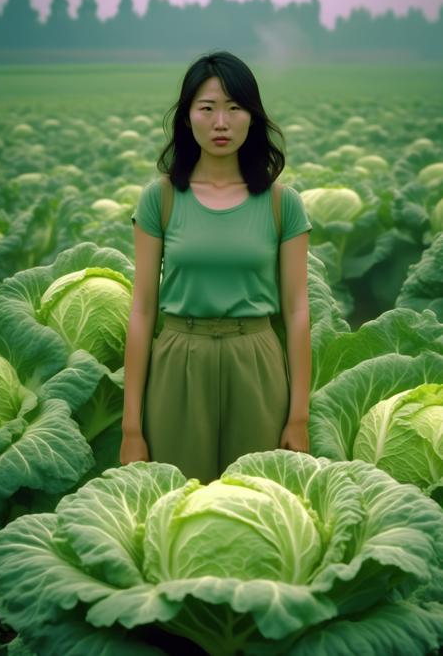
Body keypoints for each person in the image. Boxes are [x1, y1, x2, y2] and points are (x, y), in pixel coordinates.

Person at [120, 50, 313, 484]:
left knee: (257, 504)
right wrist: (131, 426)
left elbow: (298, 311)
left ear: (252, 117)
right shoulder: (160, 198)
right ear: (188, 117)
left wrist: (298, 416)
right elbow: (142, 310)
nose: (221, 122)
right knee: (175, 502)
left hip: (258, 363)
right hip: (177, 362)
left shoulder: (284, 204)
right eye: (207, 108)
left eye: (234, 108)